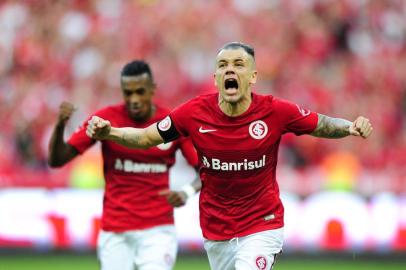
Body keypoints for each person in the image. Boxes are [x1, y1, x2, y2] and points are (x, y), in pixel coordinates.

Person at [86, 42, 373, 270]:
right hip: (216, 227)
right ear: (216, 78)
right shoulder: (194, 112)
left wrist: (350, 127)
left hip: (263, 221)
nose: (229, 70)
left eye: (238, 64)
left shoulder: (275, 111)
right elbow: (147, 137)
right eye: (222, 65)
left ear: (253, 76)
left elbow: (320, 124)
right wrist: (110, 132)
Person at [48, 60, 200, 270]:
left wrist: (186, 192)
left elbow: (205, 170)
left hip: (158, 230)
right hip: (115, 230)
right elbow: (57, 160)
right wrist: (59, 127)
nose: (134, 99)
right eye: (128, 93)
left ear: (152, 89)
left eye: (140, 91)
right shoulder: (104, 120)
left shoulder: (170, 122)